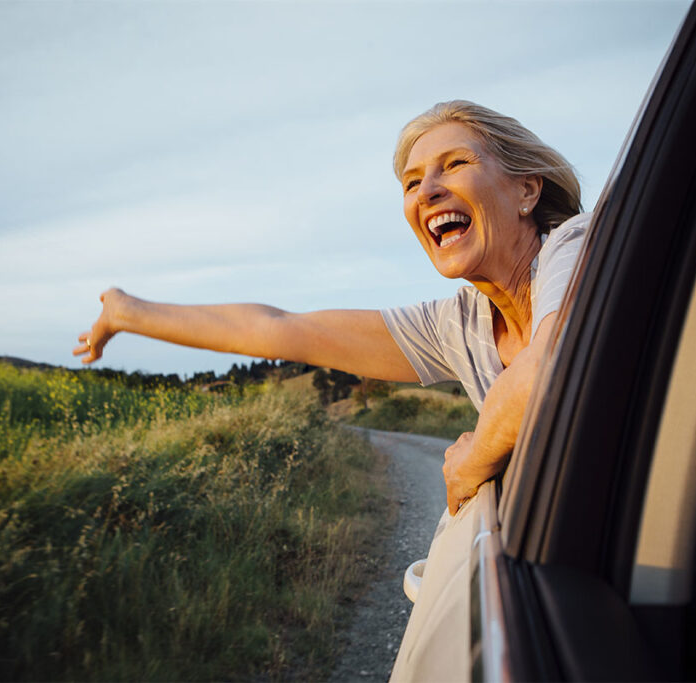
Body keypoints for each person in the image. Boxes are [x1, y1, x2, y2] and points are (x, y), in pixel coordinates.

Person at [74, 100, 590, 515]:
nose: (427, 191)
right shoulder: (459, 324)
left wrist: (472, 458)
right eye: (411, 183)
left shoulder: (575, 246)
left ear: (526, 189)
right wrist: (130, 313)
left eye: (454, 164)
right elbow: (281, 331)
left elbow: (549, 368)